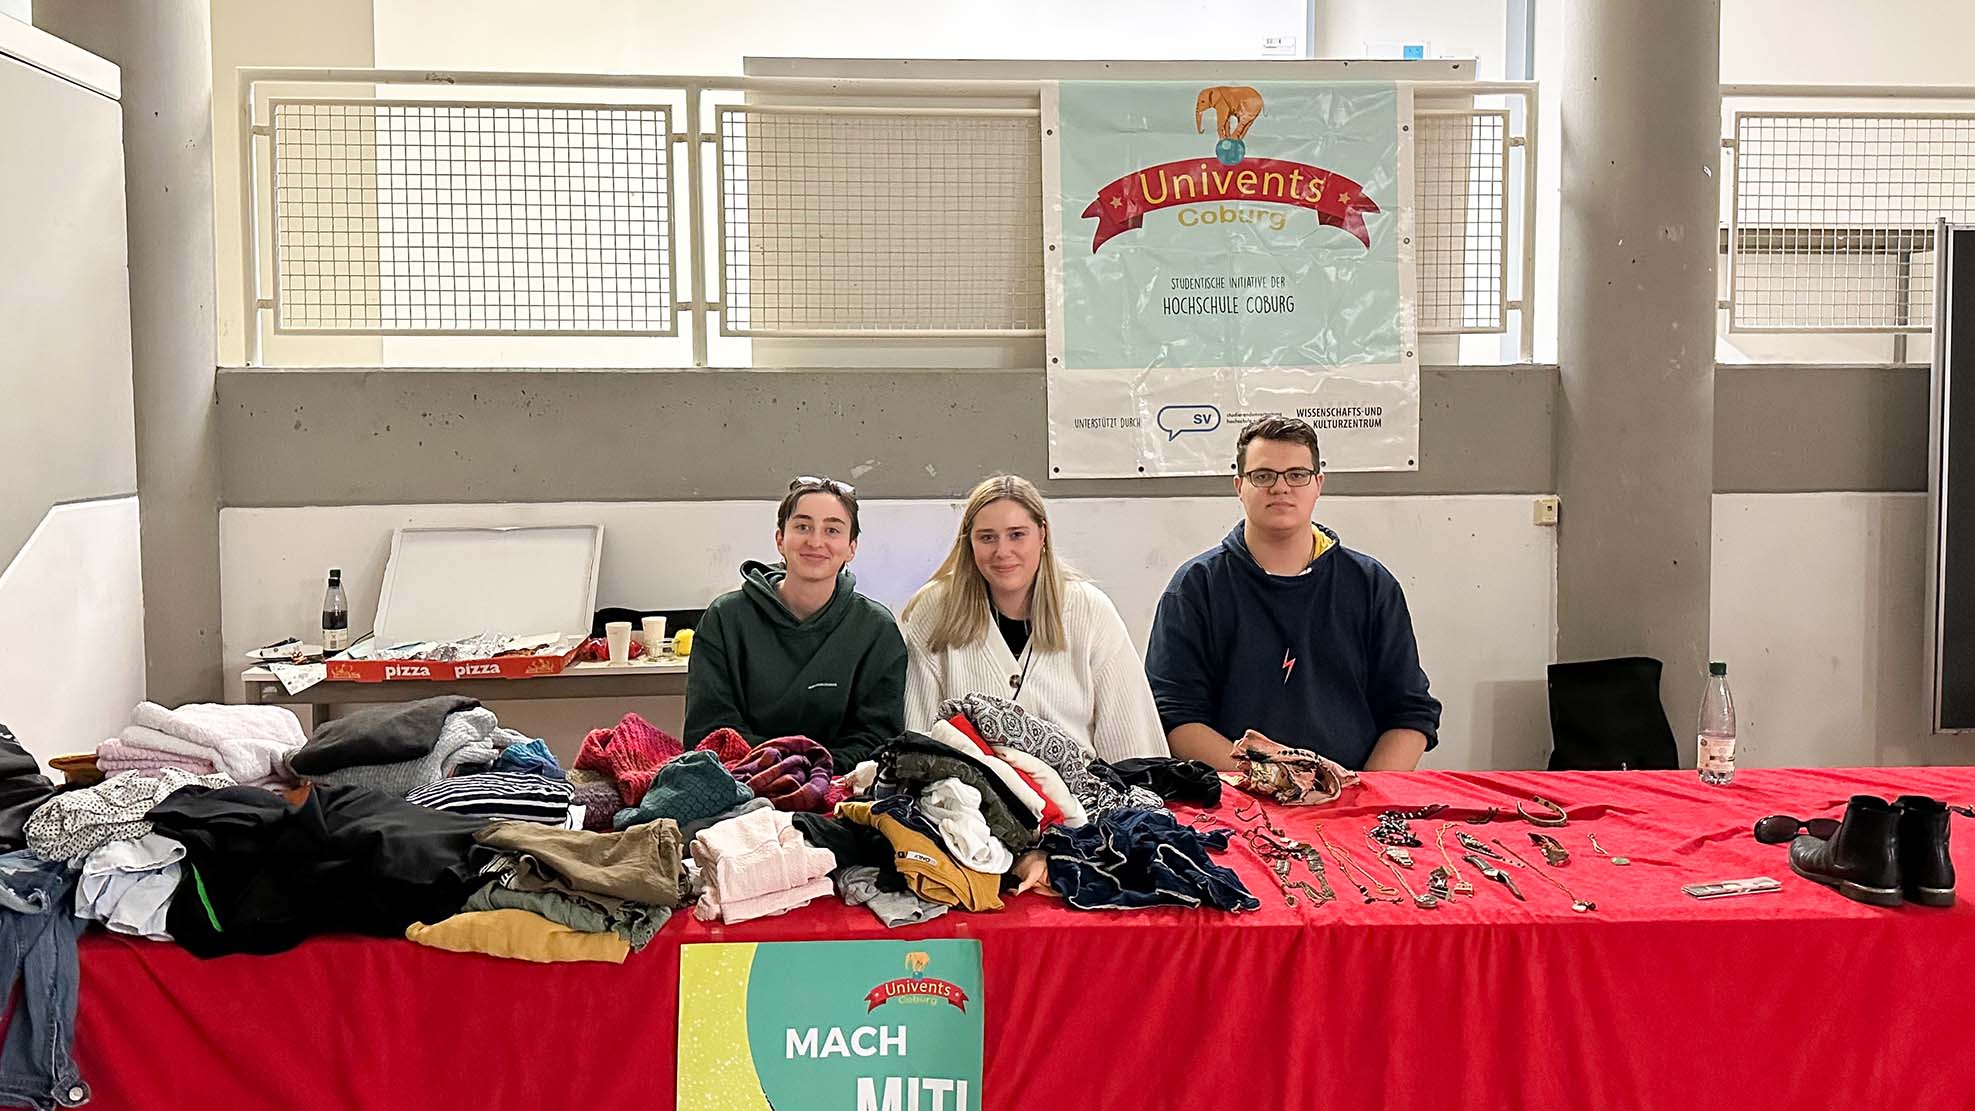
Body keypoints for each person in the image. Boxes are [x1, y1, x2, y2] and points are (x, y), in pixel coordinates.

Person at [1146, 417, 1440, 771]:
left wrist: (1361, 794)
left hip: (1352, 799)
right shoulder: (1195, 588)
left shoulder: (1371, 585)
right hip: (1237, 801)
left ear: (1318, 484)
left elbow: (1409, 712)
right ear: (1239, 486)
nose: (1281, 487)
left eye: (1297, 475)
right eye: (1263, 475)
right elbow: (1174, 717)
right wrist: (1271, 781)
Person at [900, 475, 1168, 763]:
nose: (1002, 552)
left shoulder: (1090, 611)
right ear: (970, 543)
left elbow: (1133, 747)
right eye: (987, 537)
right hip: (969, 799)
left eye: (1017, 534)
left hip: (1079, 800)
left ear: (1042, 534)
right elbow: (920, 741)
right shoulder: (934, 611)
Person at [683, 476, 907, 768]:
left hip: (840, 787)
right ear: (780, 539)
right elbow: (709, 730)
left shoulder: (876, 630)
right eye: (802, 526)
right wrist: (777, 770)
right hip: (741, 782)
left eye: (832, 530)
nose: (815, 541)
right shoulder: (725, 619)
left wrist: (816, 775)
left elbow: (878, 739)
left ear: (852, 547)